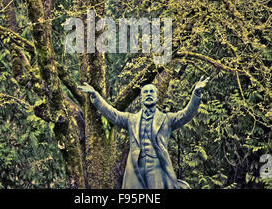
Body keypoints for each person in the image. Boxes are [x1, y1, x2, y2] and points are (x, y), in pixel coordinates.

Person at [78, 76, 210, 189]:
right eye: (145, 92)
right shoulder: (131, 119)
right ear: (141, 98)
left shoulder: (167, 119)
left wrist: (196, 94)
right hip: (135, 167)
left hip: (157, 167)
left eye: (152, 92)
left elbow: (186, 114)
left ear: (157, 98)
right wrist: (95, 96)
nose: (148, 94)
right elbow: (113, 114)